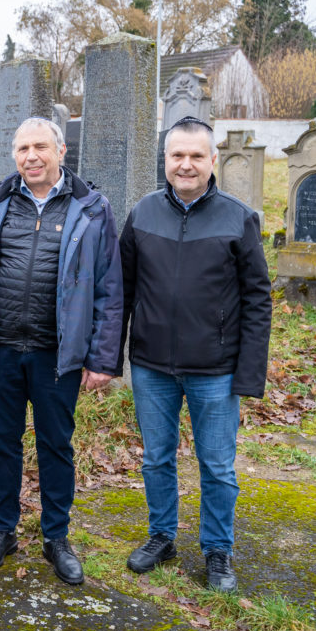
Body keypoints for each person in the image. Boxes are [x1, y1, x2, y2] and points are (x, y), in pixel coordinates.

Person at [0, 117, 122, 582]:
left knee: (56, 445)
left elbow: (108, 287)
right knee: (2, 444)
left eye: (40, 146)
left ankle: (56, 536)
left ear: (61, 151)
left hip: (56, 355)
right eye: (22, 147)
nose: (31, 156)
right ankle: (2, 531)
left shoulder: (91, 208)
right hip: (1, 349)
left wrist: (103, 358)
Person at [119, 116, 272, 593]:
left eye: (196, 156)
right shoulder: (142, 213)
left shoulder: (238, 217)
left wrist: (248, 374)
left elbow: (257, 299)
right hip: (151, 366)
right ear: (165, 160)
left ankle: (217, 550)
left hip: (215, 369)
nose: (186, 165)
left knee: (217, 464)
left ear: (212, 161)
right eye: (177, 155)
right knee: (156, 459)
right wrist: (109, 356)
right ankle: (162, 536)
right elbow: (121, 290)